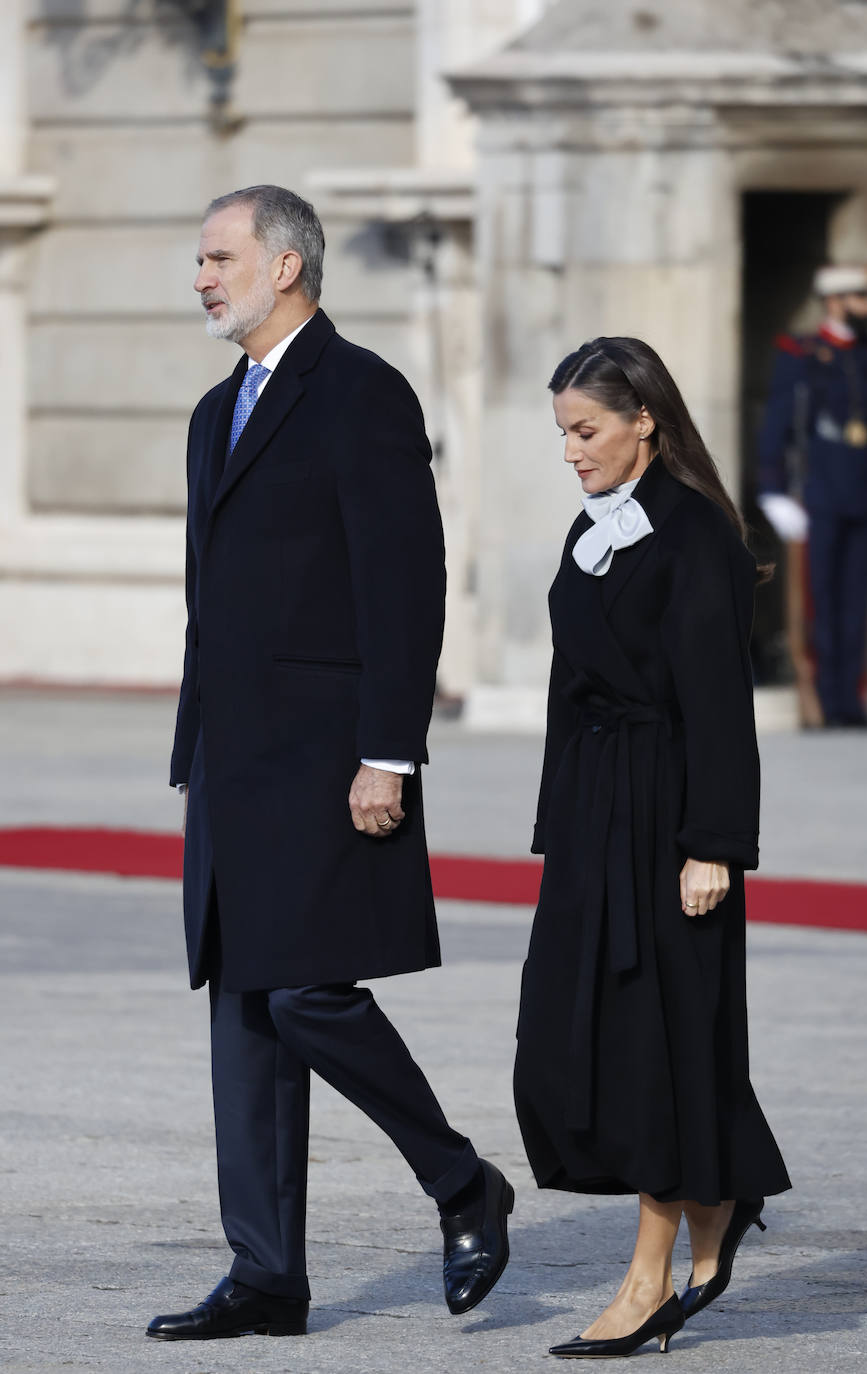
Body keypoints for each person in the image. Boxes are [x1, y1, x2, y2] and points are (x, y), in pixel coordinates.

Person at [146, 185, 513, 1342]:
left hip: (326, 757)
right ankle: (263, 1274)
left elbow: (405, 586)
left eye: (218, 258)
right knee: (245, 1006)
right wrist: (193, 745)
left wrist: (387, 756)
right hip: (231, 759)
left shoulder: (361, 392)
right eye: (199, 261)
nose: (201, 277)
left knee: (310, 990)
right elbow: (217, 603)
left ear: (287, 266)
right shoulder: (215, 412)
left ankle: (460, 1182)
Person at [514, 337, 791, 1360]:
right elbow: (564, 688)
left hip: (672, 816)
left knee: (657, 1049)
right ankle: (723, 1187)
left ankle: (650, 1277)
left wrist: (712, 843)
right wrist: (558, 827)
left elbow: (720, 705)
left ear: (646, 422)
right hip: (594, 815)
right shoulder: (593, 531)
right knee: (563, 1037)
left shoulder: (696, 538)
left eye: (585, 431)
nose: (570, 452)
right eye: (562, 435)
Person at [758, 264, 867, 728]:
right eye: (861, 298)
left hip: (864, 496)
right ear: (835, 301)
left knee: (856, 602)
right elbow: (778, 423)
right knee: (820, 601)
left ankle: (850, 702)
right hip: (818, 495)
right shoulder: (800, 352)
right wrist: (772, 491)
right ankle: (820, 701)